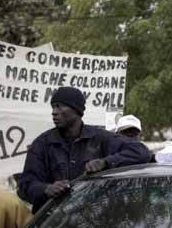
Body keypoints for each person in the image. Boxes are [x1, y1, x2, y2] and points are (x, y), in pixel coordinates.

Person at [19, 87, 151, 213]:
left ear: (76, 110)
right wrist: (46, 189)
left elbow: (141, 152)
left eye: (59, 106)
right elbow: (25, 186)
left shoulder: (100, 138)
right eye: (53, 107)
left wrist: (105, 162)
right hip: (53, 221)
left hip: (93, 219)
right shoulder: (42, 144)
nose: (54, 112)